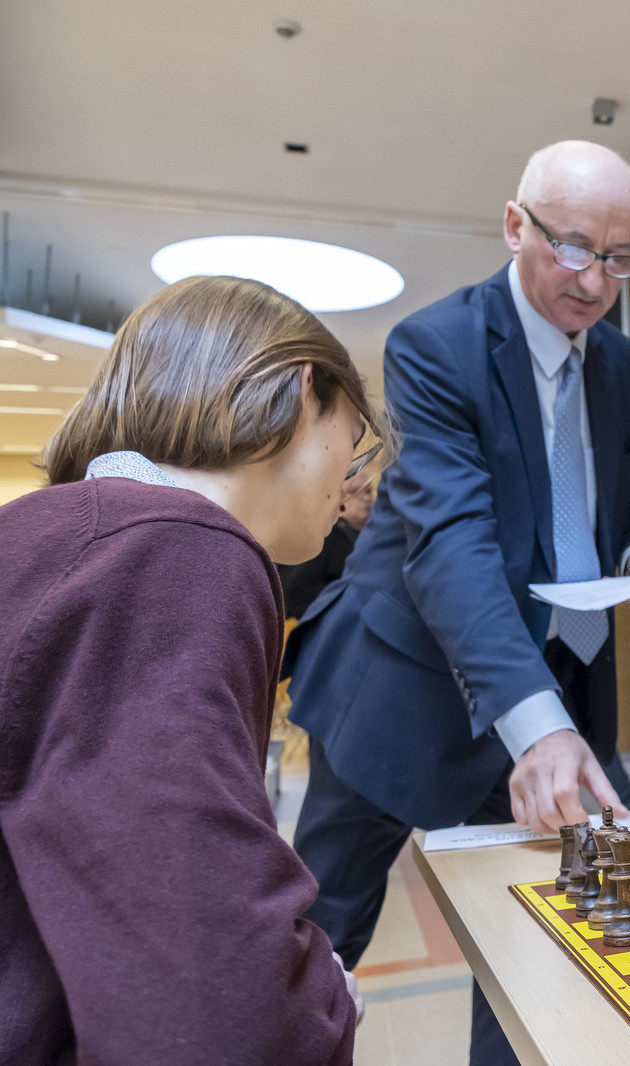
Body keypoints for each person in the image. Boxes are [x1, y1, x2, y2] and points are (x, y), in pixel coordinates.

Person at [282, 140, 630, 1065]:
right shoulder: (437, 346)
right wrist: (531, 722)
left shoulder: (620, 366)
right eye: (573, 248)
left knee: (545, 942)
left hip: (560, 684)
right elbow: (452, 545)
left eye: (619, 257)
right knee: (315, 945)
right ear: (514, 225)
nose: (595, 281)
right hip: (403, 685)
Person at [0, 275, 388, 1064]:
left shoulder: (44, 530)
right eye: (354, 440)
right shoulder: (182, 551)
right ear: (301, 392)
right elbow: (202, 988)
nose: (351, 476)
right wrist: (322, 1002)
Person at [278, 474, 375, 619]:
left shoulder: (363, 537)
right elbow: (295, 594)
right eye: (354, 491)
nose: (366, 498)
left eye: (368, 491)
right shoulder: (326, 535)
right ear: (336, 496)